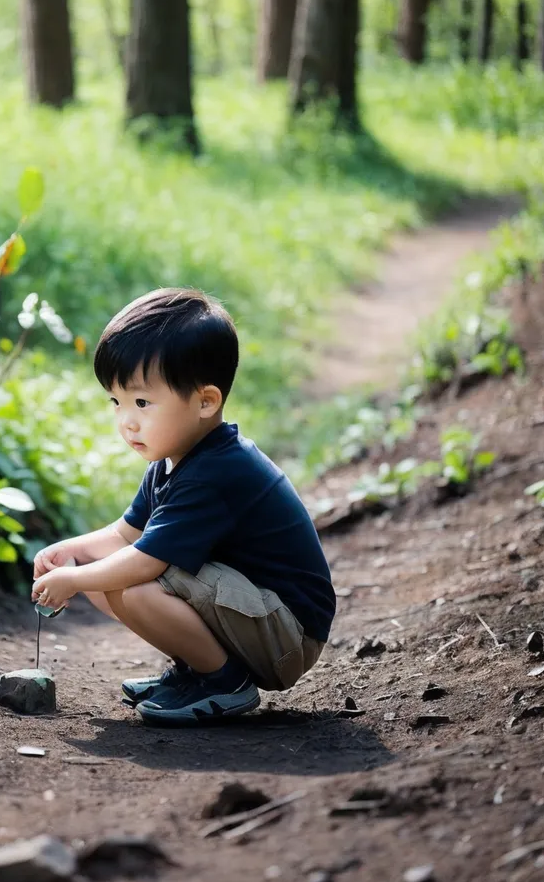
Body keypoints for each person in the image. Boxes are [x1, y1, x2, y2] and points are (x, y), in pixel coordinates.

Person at [31, 287, 335, 726]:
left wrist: (74, 579)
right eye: (116, 402)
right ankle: (196, 672)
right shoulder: (174, 460)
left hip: (289, 635)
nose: (126, 421)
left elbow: (144, 560)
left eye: (142, 402)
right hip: (254, 615)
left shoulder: (217, 471)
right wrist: (70, 552)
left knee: (135, 583)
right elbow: (124, 535)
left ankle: (224, 683)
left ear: (205, 401)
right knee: (106, 571)